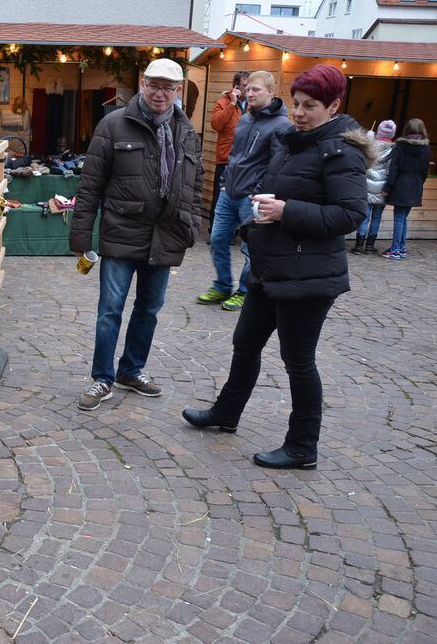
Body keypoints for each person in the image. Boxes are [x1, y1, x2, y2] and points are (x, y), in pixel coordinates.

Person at [182, 64, 370, 470]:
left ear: (334, 105)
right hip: (270, 264)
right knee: (245, 343)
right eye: (297, 103)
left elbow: (350, 214)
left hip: (309, 275)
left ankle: (303, 447)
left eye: (310, 106)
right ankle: (226, 413)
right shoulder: (291, 140)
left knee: (298, 360)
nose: (298, 113)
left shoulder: (341, 150)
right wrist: (265, 210)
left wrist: (288, 211)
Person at [70, 59, 203, 410]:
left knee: (149, 309)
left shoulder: (187, 131)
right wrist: (81, 237)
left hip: (166, 234)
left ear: (178, 91)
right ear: (142, 84)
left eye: (168, 87)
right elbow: (90, 185)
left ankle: (132, 370)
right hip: (122, 231)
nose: (160, 93)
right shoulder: (114, 125)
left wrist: (191, 225)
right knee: (109, 310)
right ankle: (102, 378)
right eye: (154, 85)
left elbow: (195, 182)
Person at [196, 71, 292, 312]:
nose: (249, 93)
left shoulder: (282, 125)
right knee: (218, 240)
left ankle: (244, 291)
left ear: (271, 92)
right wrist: (225, 181)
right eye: (248, 88)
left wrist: (259, 192)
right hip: (230, 192)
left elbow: (277, 164)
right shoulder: (246, 118)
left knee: (251, 248)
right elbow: (235, 155)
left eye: (256, 89)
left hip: (253, 198)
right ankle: (222, 285)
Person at [381, 118, 430, 260]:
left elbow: (394, 168)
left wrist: (387, 187)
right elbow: (425, 171)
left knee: (399, 219)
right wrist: (419, 183)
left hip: (400, 185)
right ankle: (401, 248)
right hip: (415, 186)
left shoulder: (400, 146)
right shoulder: (426, 148)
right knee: (403, 218)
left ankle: (396, 249)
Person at [208, 72, 249, 233]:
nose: (248, 89)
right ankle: (215, 230)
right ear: (236, 86)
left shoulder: (253, 105)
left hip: (246, 160)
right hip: (226, 157)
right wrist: (232, 104)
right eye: (245, 85)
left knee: (241, 197)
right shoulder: (222, 102)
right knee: (220, 196)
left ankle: (234, 231)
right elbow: (217, 125)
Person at [352, 119, 397, 254]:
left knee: (364, 216)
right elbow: (392, 170)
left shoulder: (369, 146)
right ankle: (370, 246)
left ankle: (359, 245)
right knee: (377, 217)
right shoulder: (394, 150)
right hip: (383, 189)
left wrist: (369, 139)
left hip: (366, 186)